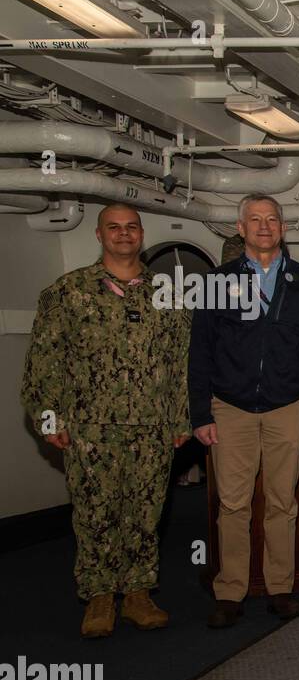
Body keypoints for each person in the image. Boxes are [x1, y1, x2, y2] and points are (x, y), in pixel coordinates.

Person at [20, 204, 191, 638]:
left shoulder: (167, 294)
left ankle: (137, 593)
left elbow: (182, 363)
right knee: (94, 513)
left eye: (131, 227)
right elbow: (44, 363)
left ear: (141, 234)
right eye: (113, 228)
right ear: (99, 236)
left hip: (152, 426)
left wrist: (182, 418)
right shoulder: (69, 292)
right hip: (89, 427)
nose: (123, 234)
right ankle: (98, 597)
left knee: (146, 513)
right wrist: (48, 420)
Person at [189, 194, 299, 629]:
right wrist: (201, 414)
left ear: (284, 228)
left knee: (282, 503)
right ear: (240, 228)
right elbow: (200, 353)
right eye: (255, 220)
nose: (264, 226)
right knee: (232, 504)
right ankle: (230, 591)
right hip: (230, 408)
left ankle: (280, 588)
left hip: (288, 407)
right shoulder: (218, 282)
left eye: (272, 219)